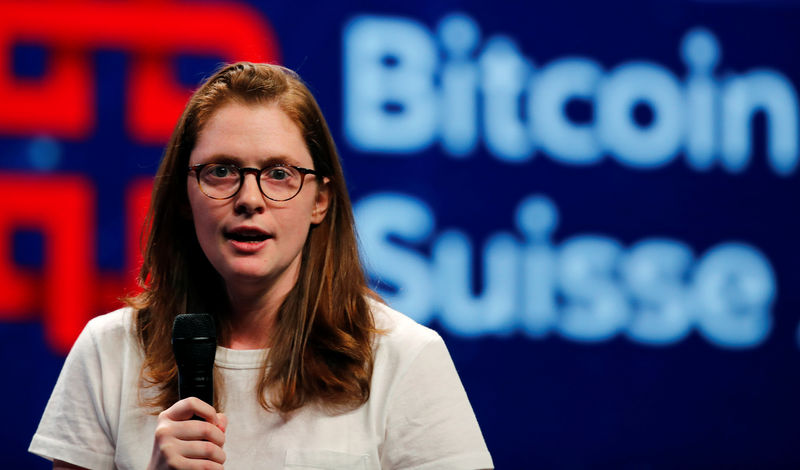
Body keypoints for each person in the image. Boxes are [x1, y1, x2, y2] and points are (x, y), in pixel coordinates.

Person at [29, 62, 493, 470]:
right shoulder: (108, 352)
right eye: (221, 171)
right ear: (185, 197)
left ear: (321, 201)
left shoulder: (404, 358)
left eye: (278, 174)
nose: (249, 199)